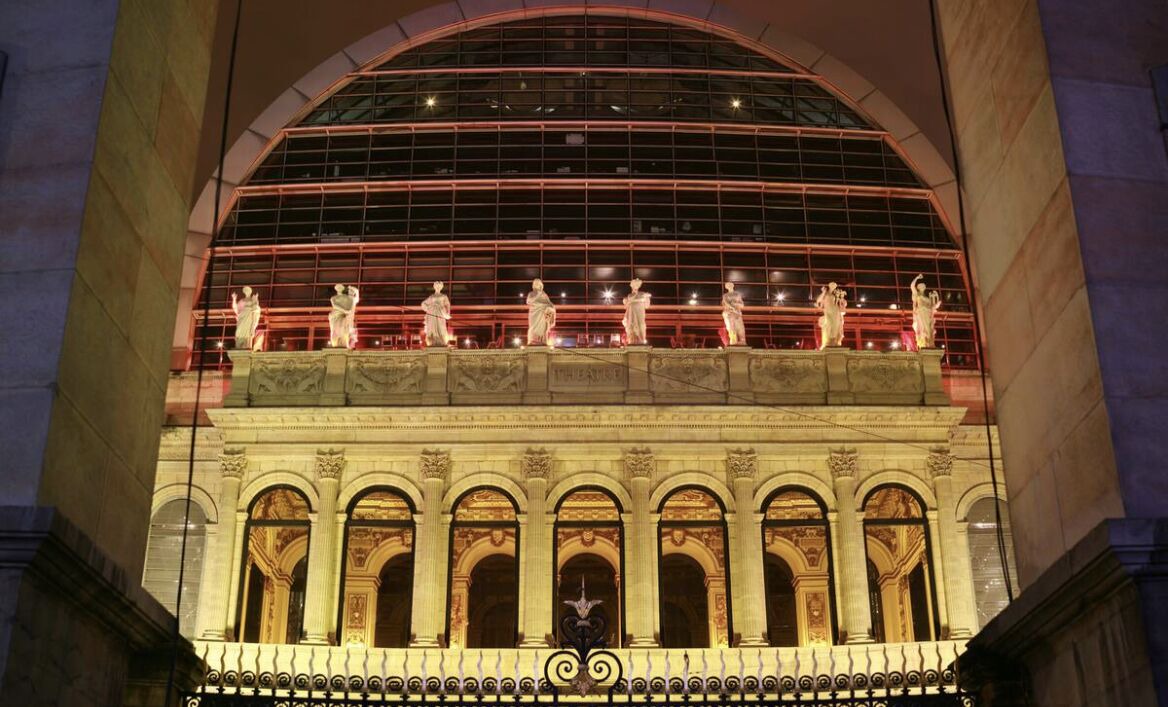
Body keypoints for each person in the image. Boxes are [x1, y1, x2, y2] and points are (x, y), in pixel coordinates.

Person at [910, 274, 942, 349]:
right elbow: (912, 286)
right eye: (921, 286)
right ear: (918, 287)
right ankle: (924, 343)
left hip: (927, 314)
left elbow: (932, 307)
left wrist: (937, 304)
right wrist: (917, 278)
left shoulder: (928, 298)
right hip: (921, 313)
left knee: (928, 328)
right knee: (922, 328)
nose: (922, 287)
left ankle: (929, 343)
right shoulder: (917, 295)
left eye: (923, 286)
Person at [815, 282, 847, 349]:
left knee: (836, 325)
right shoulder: (825, 293)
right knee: (828, 324)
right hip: (828, 311)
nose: (833, 287)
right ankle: (828, 342)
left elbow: (842, 303)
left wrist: (842, 300)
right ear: (829, 286)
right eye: (832, 286)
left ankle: (835, 342)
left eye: (834, 286)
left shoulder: (835, 295)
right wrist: (823, 292)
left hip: (835, 311)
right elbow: (818, 300)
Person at [526, 278, 556, 346]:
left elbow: (549, 303)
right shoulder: (531, 293)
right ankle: (532, 340)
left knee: (543, 328)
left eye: (538, 284)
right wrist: (537, 295)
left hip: (543, 313)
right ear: (533, 285)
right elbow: (528, 301)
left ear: (541, 285)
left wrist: (551, 307)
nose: (537, 285)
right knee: (533, 327)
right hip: (534, 313)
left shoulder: (544, 294)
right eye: (535, 284)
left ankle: (543, 340)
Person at [328, 284, 359, 349]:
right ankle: (336, 344)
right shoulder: (333, 298)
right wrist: (345, 311)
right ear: (336, 289)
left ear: (342, 289)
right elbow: (335, 306)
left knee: (345, 328)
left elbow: (353, 303)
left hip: (345, 314)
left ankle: (344, 343)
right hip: (336, 315)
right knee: (335, 330)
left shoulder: (347, 298)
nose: (339, 288)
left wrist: (355, 292)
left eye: (340, 287)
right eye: (337, 287)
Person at [421, 281, 452, 347]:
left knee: (441, 326)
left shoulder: (444, 296)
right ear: (434, 287)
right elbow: (423, 303)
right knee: (432, 326)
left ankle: (441, 339)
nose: (438, 288)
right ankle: (433, 339)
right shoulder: (431, 297)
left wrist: (448, 313)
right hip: (433, 313)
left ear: (441, 287)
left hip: (440, 313)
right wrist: (429, 308)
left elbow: (447, 304)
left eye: (439, 287)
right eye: (437, 286)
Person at [230, 286, 261, 350]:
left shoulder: (252, 299)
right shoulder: (242, 300)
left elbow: (256, 309)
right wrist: (234, 299)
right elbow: (236, 308)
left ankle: (245, 345)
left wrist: (255, 301)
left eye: (247, 290)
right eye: (245, 290)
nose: (246, 291)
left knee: (247, 332)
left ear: (250, 291)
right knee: (239, 331)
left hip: (249, 318)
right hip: (242, 317)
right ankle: (239, 345)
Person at [622, 278, 651, 345]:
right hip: (632, 312)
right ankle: (632, 340)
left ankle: (642, 340)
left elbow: (647, 305)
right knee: (632, 325)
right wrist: (642, 298)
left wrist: (646, 298)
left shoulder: (642, 294)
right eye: (634, 285)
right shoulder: (630, 295)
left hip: (640, 312)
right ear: (632, 286)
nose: (636, 287)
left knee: (641, 325)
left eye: (637, 285)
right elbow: (627, 302)